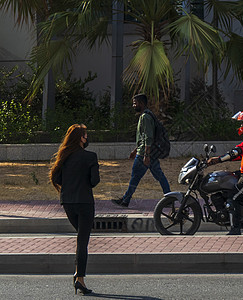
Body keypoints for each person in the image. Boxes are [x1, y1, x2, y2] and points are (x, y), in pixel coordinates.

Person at [49, 124, 100, 295]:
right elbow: (94, 181)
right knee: (82, 241)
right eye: (85, 135)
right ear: (80, 138)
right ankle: (80, 279)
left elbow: (56, 177)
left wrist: (70, 185)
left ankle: (79, 275)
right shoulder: (91, 156)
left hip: (68, 202)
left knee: (81, 238)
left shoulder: (64, 156)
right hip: (85, 202)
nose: (87, 138)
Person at [111, 93, 170, 208]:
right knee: (159, 176)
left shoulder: (145, 117)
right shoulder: (148, 115)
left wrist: (146, 155)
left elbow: (148, 137)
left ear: (141, 103)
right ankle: (169, 198)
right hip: (147, 152)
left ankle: (125, 200)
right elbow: (143, 138)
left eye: (135, 103)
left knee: (135, 176)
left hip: (145, 153)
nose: (133, 105)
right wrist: (135, 150)